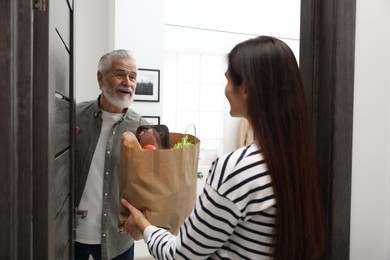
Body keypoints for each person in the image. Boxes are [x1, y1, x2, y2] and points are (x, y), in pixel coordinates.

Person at [121, 36, 326, 259]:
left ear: (245, 89)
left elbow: (181, 255)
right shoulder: (301, 160)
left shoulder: (237, 168)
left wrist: (144, 225)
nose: (226, 90)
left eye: (228, 81)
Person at [74, 49, 149, 260]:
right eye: (120, 74)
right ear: (101, 77)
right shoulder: (74, 117)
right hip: (70, 235)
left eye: (132, 77)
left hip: (117, 239)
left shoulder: (143, 130)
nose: (128, 82)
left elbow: (150, 186)